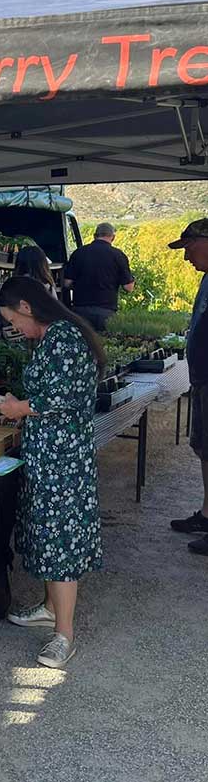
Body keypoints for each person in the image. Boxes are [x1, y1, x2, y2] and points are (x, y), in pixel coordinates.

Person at [0, 276, 105, 669]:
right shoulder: (56, 336)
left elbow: (60, 397)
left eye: (13, 320)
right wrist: (20, 409)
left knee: (59, 541)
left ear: (26, 307)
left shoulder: (63, 337)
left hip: (62, 458)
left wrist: (17, 408)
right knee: (44, 531)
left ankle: (64, 634)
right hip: (50, 453)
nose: (15, 329)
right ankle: (47, 608)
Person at [167, 218, 208, 555]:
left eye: (189, 247)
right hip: (203, 379)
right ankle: (207, 516)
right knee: (204, 448)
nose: (186, 257)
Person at [62, 222, 135, 330]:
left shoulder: (79, 253)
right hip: (106, 312)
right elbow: (128, 288)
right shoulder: (118, 255)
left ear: (95, 236)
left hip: (80, 311)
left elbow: (66, 283)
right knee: (105, 345)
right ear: (113, 237)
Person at [0, 244, 57, 342]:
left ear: (18, 264)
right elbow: (55, 317)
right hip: (41, 342)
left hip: (12, 340)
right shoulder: (47, 288)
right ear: (42, 264)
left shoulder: (7, 288)